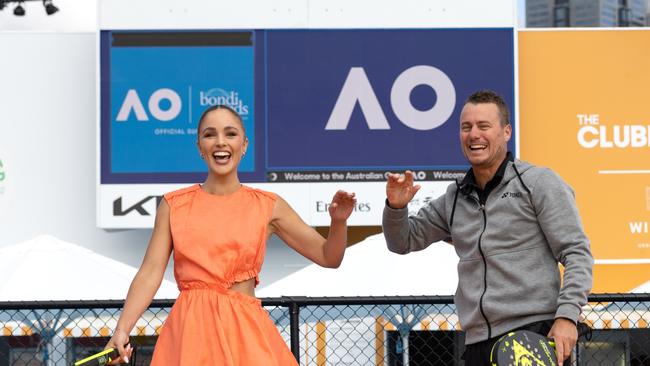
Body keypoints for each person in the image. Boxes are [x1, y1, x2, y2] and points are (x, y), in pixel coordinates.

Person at [105, 104, 357, 365]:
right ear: (199, 147)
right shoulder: (173, 206)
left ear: (244, 145)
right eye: (210, 134)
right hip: (191, 333)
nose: (220, 142)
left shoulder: (268, 205)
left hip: (245, 333)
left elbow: (329, 257)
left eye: (231, 134)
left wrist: (338, 222)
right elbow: (150, 272)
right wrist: (122, 328)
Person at [382, 90, 593, 365]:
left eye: (484, 126)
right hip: (476, 343)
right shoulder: (453, 198)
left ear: (506, 132)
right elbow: (402, 242)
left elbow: (577, 252)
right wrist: (396, 207)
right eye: (466, 127)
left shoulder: (538, 182)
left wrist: (567, 316)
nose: (474, 135)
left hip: (533, 336)